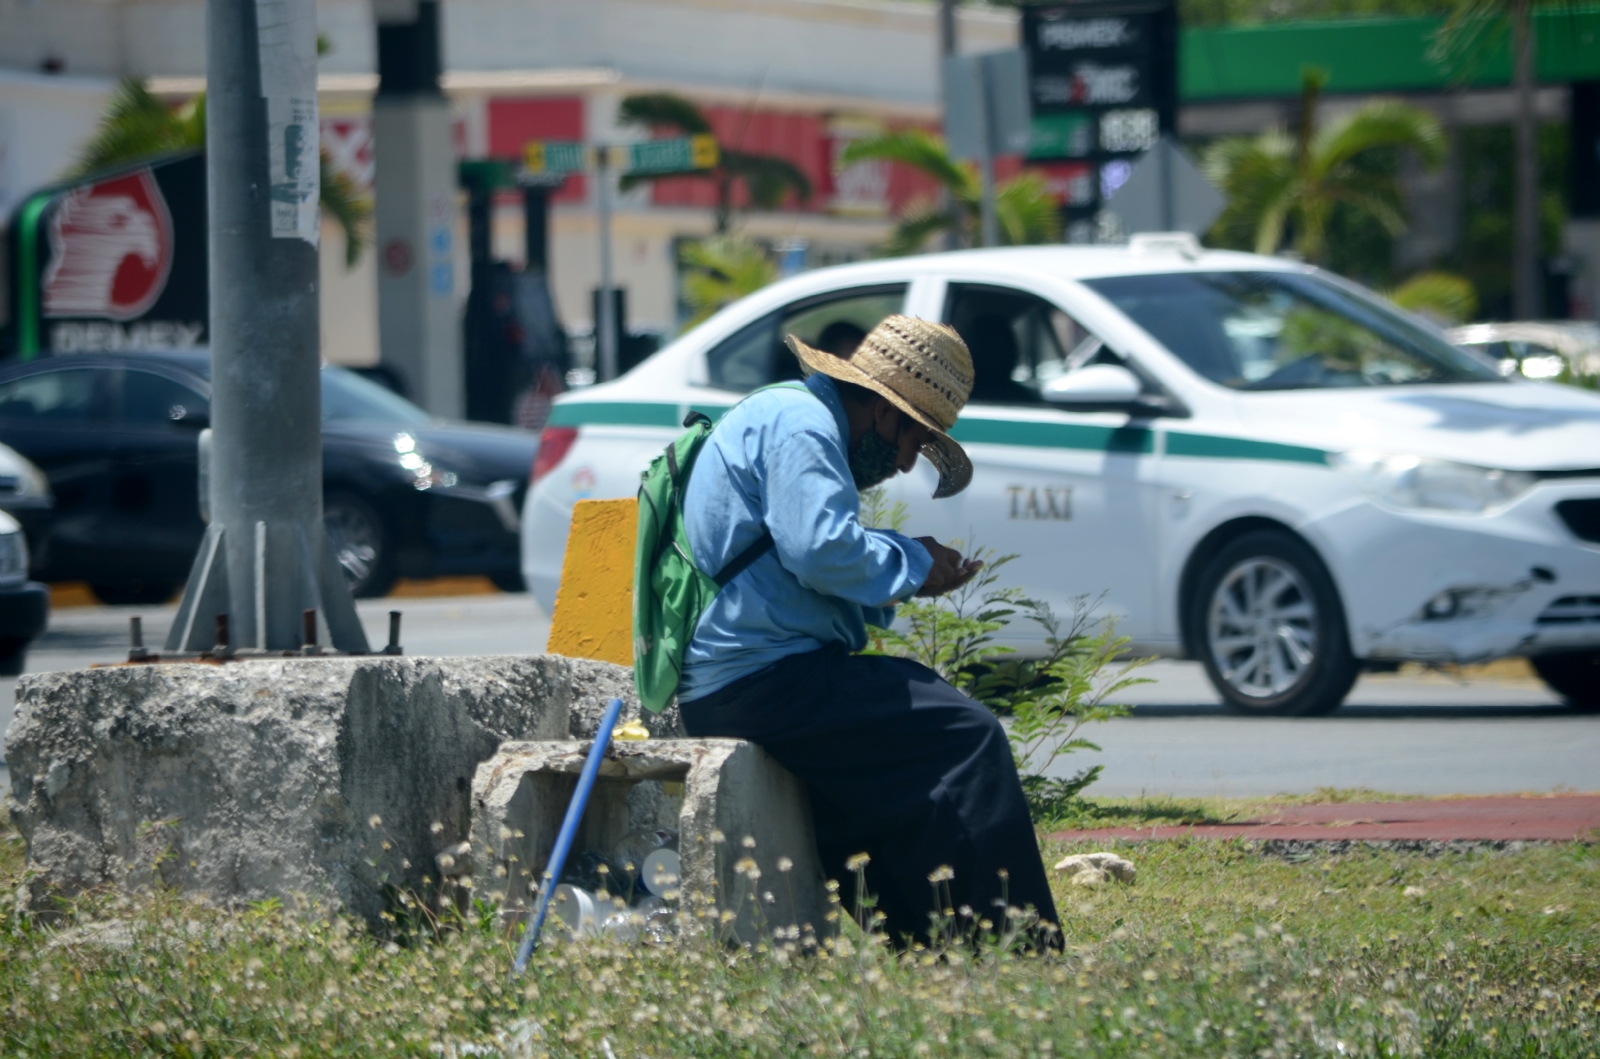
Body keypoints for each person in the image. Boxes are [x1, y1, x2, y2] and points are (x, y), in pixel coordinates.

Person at [676, 314, 1060, 945]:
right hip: (758, 678)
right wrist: (912, 562)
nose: (909, 463)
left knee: (896, 769)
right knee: (969, 735)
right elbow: (819, 551)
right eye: (917, 441)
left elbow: (799, 550)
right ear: (886, 410)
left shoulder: (794, 416)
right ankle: (1016, 950)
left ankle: (934, 949)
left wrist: (909, 559)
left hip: (755, 673)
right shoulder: (803, 426)